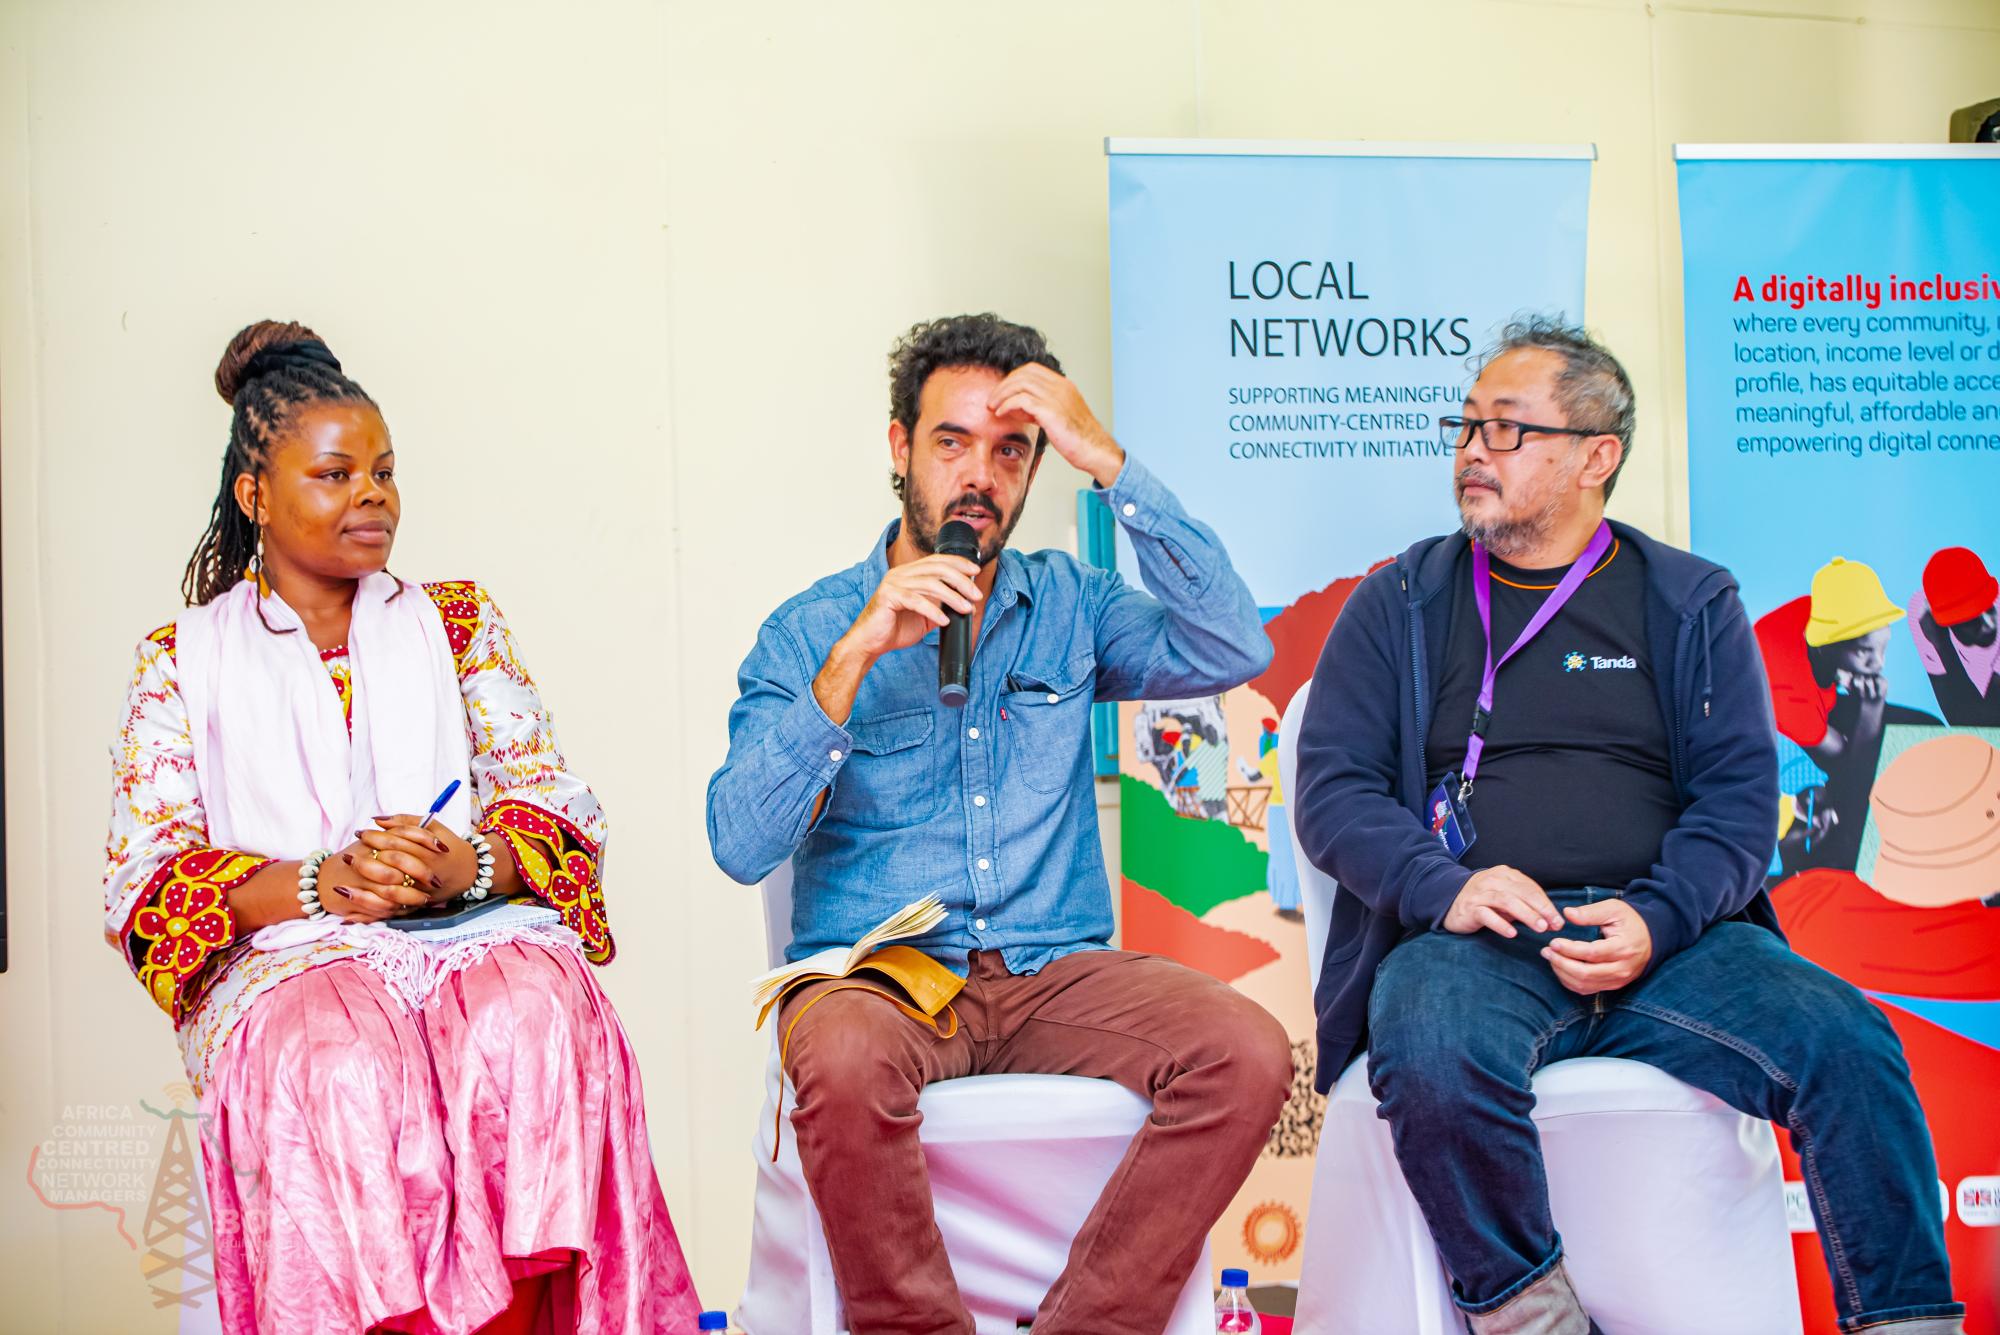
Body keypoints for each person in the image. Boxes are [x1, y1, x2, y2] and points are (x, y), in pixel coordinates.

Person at [1292, 318, 1962, 1334]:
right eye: (1465, 426)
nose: (1472, 450)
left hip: (1676, 943)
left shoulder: (1689, 600)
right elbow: (1333, 793)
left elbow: (1739, 804)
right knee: (1425, 1039)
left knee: (1848, 1040)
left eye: (1506, 428)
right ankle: (1532, 1315)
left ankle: (1909, 1321)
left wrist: (1657, 916)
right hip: (1480, 943)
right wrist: (1446, 888)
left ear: (1595, 457)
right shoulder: (1398, 601)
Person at [103, 321, 696, 1334]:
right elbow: (148, 883)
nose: (372, 495)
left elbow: (553, 801)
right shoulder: (182, 661)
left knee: (533, 1016)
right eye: (335, 475)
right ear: (255, 495)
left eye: (383, 472)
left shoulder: (455, 624)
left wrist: (470, 864)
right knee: (336, 1059)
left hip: (465, 927)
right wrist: (319, 885)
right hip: (290, 955)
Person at [707, 313, 1291, 1335]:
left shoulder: (1071, 604)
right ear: (900, 448)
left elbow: (1233, 643)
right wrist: (854, 659)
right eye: (952, 442)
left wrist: (1109, 463)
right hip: (883, 980)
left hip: (1052, 972)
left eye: (1012, 449)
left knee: (1245, 1051)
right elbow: (738, 842)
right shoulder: (810, 630)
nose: (980, 475)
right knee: (838, 1058)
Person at [1906, 545, 2000, 727]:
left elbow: (1991, 723)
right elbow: (1961, 720)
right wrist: (1942, 645)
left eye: (1989, 608)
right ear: (1946, 624)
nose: (1990, 624)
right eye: (1973, 619)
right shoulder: (1924, 616)